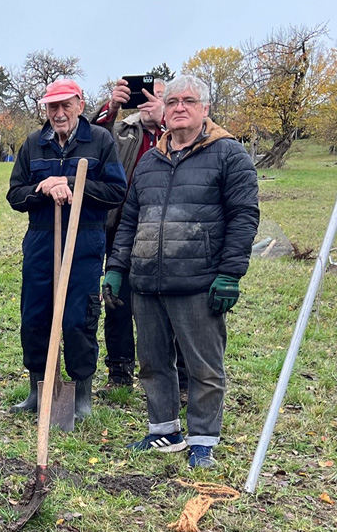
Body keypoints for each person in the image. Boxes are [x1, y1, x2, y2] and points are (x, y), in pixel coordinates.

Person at [104, 75, 259, 468]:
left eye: (188, 101)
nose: (178, 108)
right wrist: (117, 268)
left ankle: (203, 438)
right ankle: (164, 430)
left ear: (205, 108)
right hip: (147, 281)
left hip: (197, 281)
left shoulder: (228, 155)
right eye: (171, 101)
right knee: (153, 362)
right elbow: (129, 220)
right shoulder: (150, 161)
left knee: (204, 365)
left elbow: (244, 217)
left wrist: (230, 273)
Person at [6, 79, 127, 418]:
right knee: (34, 317)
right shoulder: (34, 144)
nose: (58, 113)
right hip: (41, 239)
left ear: (79, 104)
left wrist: (72, 183)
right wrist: (43, 188)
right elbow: (15, 195)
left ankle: (81, 395)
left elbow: (116, 191)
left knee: (79, 318)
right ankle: (37, 390)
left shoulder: (100, 140)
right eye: (52, 106)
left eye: (65, 105)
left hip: (85, 239)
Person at [90, 77, 168, 389]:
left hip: (164, 232)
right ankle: (119, 372)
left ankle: (174, 375)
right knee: (117, 300)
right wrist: (111, 108)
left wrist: (165, 118)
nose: (150, 99)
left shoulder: (177, 131)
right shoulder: (122, 129)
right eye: (146, 94)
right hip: (120, 228)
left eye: (159, 95)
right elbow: (94, 139)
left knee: (165, 303)